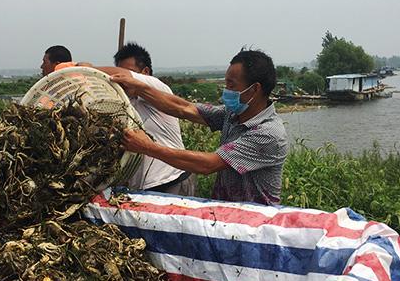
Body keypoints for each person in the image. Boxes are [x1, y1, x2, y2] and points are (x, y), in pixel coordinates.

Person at [111, 49, 288, 205]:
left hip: (254, 223)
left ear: (254, 89)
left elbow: (208, 164)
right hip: (225, 212)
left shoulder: (268, 133)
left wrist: (147, 147)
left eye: (231, 85)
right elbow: (185, 108)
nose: (226, 90)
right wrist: (141, 88)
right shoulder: (233, 115)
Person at [91, 42, 194, 195]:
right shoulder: (123, 102)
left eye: (127, 72)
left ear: (145, 72)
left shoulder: (157, 88)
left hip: (171, 181)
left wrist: (83, 68)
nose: (122, 80)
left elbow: (119, 76)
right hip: (142, 188)